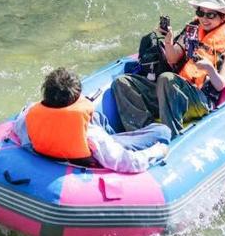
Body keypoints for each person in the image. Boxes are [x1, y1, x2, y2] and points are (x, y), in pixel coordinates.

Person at [111, 0, 225, 136]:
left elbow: (220, 84)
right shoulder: (192, 31)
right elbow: (173, 58)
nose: (204, 19)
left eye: (211, 15)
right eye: (201, 13)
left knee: (167, 79)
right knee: (122, 82)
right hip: (172, 89)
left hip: (198, 100)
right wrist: (169, 42)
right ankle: (143, 132)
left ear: (223, 17)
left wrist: (209, 68)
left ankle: (170, 136)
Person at [14, 67, 170, 173]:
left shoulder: (27, 116)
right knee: (162, 130)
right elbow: (130, 163)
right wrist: (157, 151)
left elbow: (19, 132)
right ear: (75, 100)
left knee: (96, 117)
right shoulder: (92, 136)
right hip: (93, 154)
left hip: (50, 154)